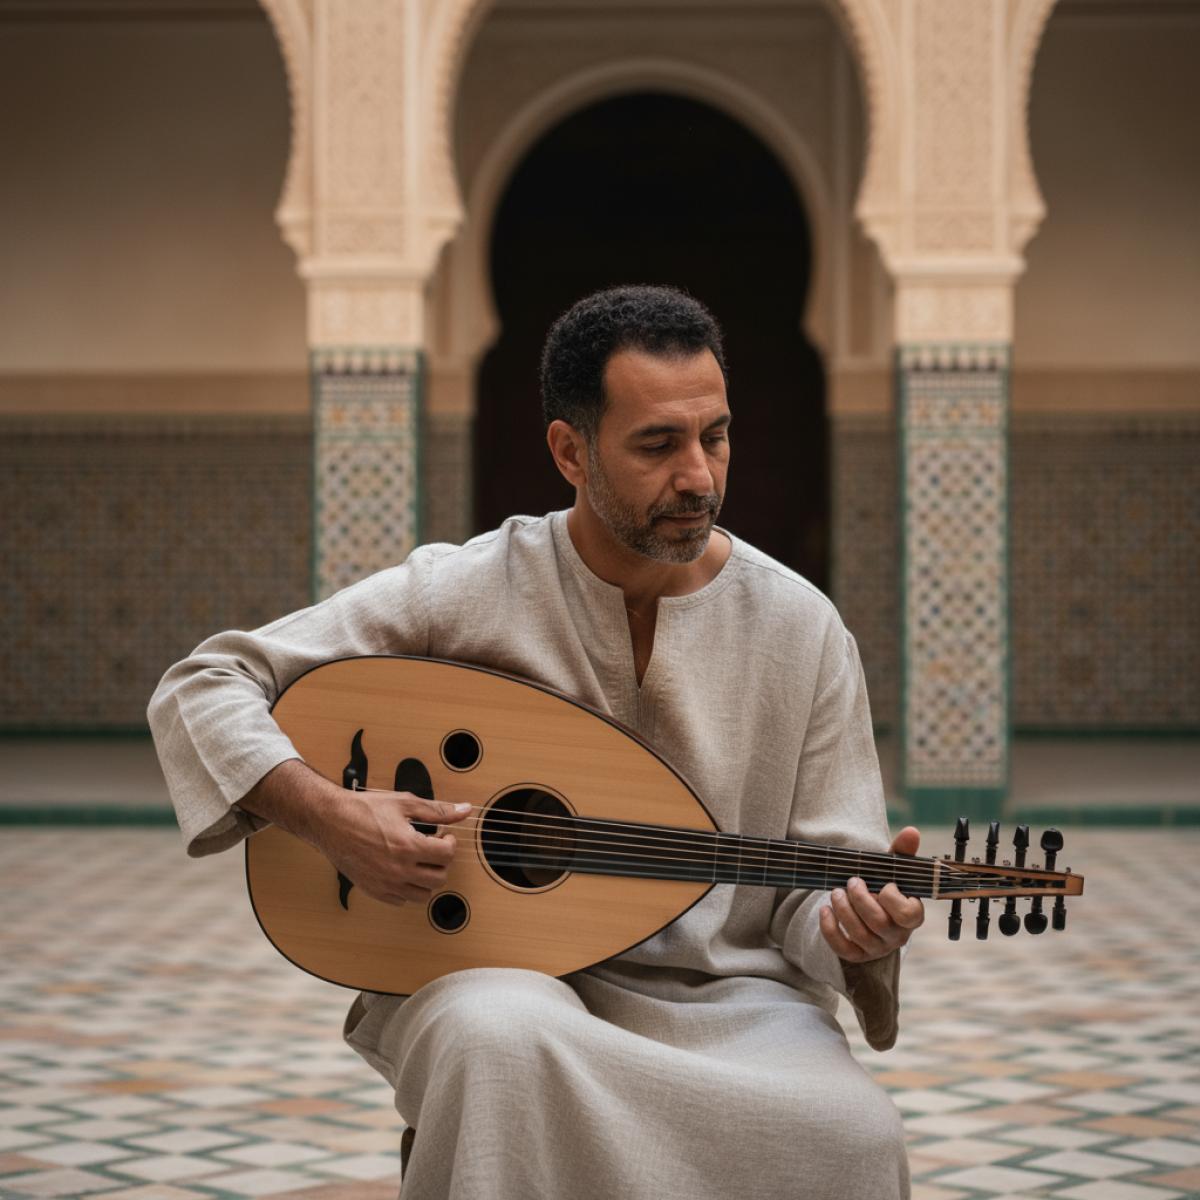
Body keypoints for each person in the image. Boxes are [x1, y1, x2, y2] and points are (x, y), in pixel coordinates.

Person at [149, 284, 923, 1200]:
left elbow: (820, 882)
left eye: (714, 435)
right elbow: (206, 682)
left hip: (726, 997)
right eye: (657, 444)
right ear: (570, 449)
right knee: (496, 1040)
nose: (700, 477)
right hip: (494, 969)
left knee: (854, 1135)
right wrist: (329, 814)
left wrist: (856, 934)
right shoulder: (467, 587)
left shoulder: (803, 626)